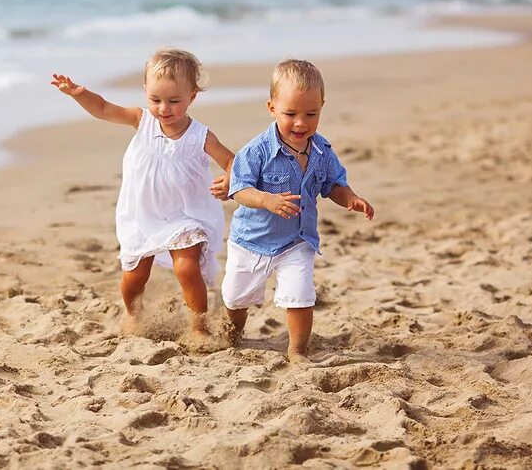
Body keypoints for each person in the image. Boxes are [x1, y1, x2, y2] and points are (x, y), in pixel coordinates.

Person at [51, 48, 234, 335]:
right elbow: (103, 108)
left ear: (192, 96)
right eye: (155, 99)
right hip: (141, 215)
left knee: (186, 269)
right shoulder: (142, 121)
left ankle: (199, 326)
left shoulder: (200, 136)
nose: (163, 108)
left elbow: (231, 160)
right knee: (134, 277)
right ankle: (133, 314)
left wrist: (229, 179)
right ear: (145, 92)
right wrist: (79, 93)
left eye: (174, 101)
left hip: (185, 214)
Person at [223, 59, 374, 362]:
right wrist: (266, 200)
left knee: (301, 296)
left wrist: (350, 198)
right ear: (272, 108)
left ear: (322, 107)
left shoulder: (322, 151)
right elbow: (238, 189)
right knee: (237, 299)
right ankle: (232, 336)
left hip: (297, 240)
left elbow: (333, 185)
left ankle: (297, 350)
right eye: (290, 114)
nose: (300, 123)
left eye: (311, 114)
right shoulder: (256, 151)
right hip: (252, 241)